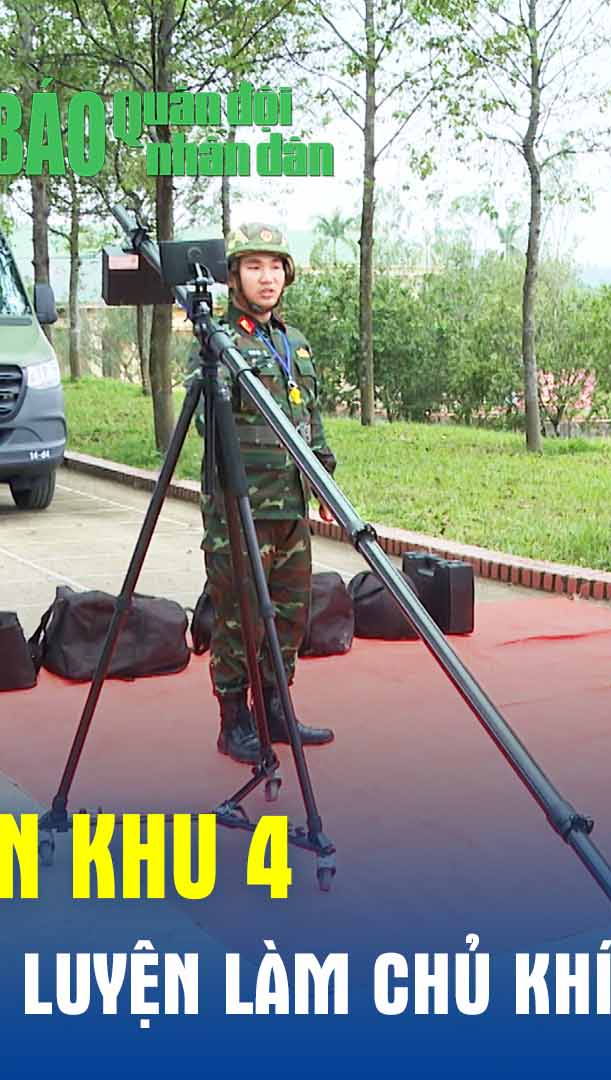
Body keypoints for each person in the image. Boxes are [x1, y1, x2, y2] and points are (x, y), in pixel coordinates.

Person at [198, 222, 336, 764]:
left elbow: (310, 416)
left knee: (289, 613)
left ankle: (276, 711)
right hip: (242, 507)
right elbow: (208, 422)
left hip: (291, 504)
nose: (267, 277)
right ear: (234, 276)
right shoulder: (219, 341)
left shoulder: (293, 341)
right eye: (254, 266)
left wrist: (324, 479)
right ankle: (232, 722)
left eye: (275, 266)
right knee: (241, 617)